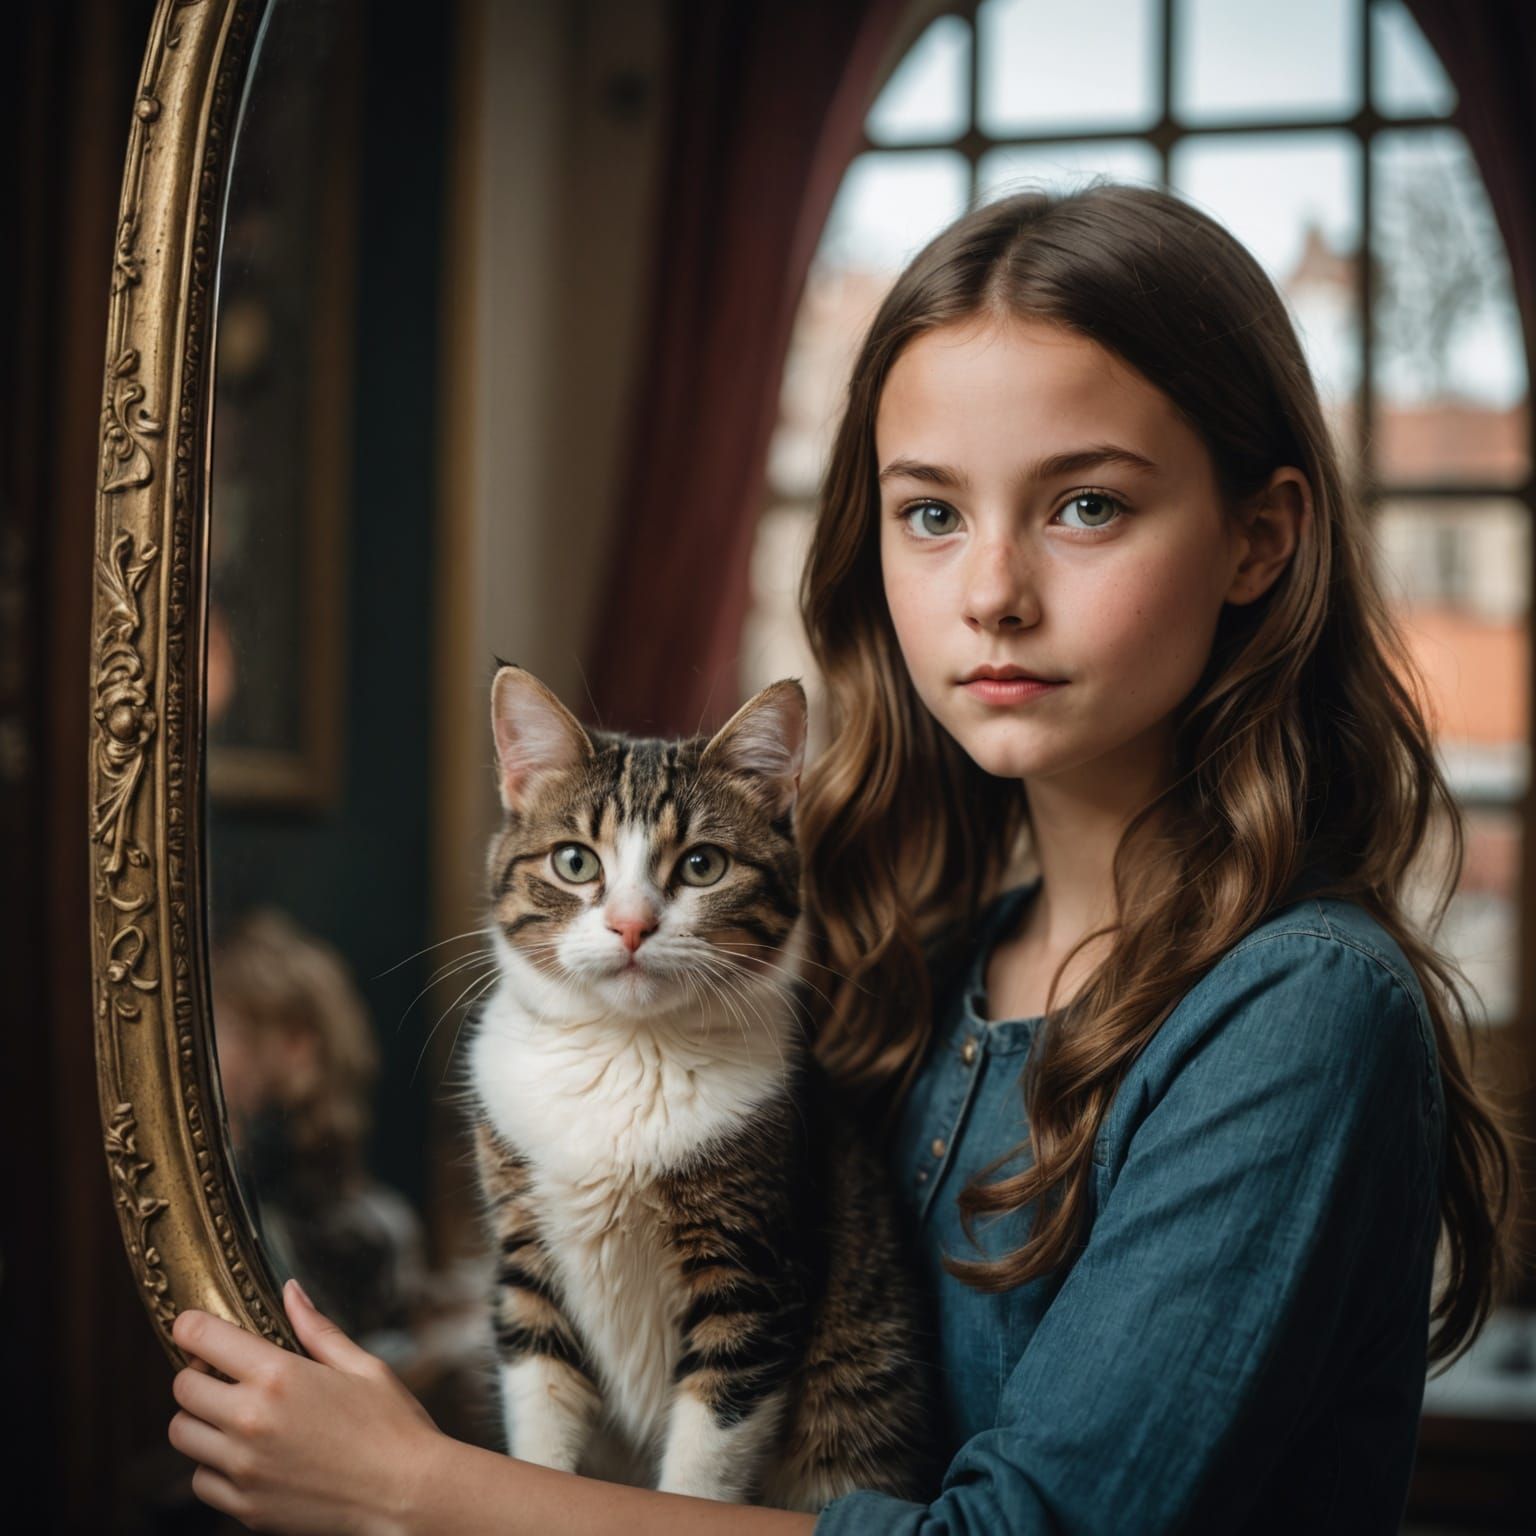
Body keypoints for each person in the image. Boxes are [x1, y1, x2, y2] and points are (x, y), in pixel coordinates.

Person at [164, 181, 1520, 1535]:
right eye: (931, 513)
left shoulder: (1300, 1012)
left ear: (1258, 540)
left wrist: (419, 1490)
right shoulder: (926, 963)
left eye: (1087, 505)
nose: (992, 592)